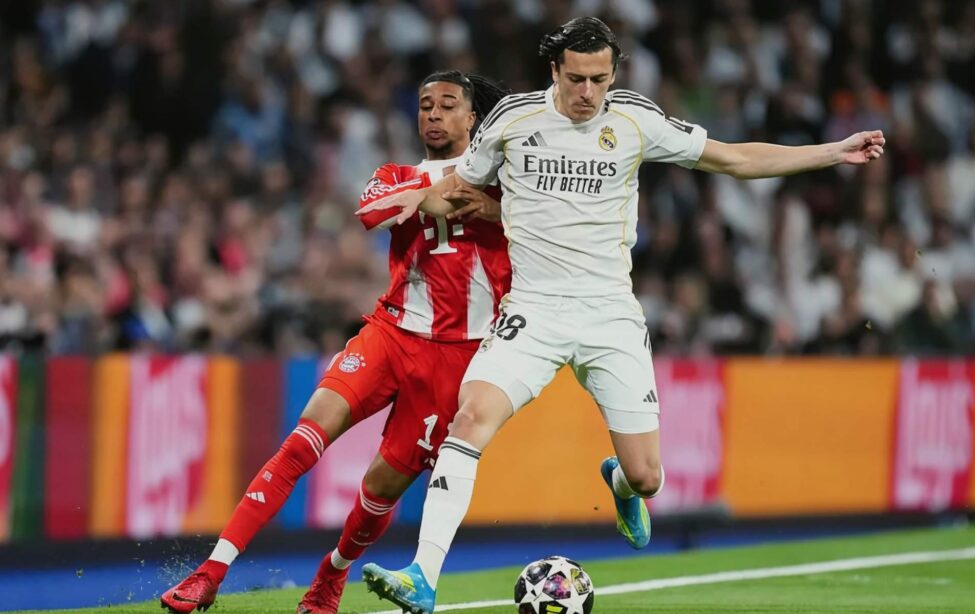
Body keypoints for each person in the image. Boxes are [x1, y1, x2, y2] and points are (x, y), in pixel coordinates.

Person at [357, 17, 886, 614]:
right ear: (554, 71)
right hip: (533, 310)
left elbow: (733, 159)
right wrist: (402, 198)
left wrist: (831, 152)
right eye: (577, 79)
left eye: (600, 79)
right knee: (469, 419)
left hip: (610, 317)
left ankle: (620, 482)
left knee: (648, 477)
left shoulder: (635, 118)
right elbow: (458, 187)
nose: (588, 93)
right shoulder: (511, 120)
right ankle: (422, 578)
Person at [160, 71, 512, 614]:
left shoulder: (507, 181)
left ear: (473, 118)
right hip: (390, 334)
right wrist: (430, 194)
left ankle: (333, 573)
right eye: (424, 106)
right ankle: (210, 573)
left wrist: (487, 205)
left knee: (378, 493)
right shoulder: (394, 173)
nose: (434, 115)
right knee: (302, 440)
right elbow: (373, 211)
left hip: (456, 359)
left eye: (447, 105)